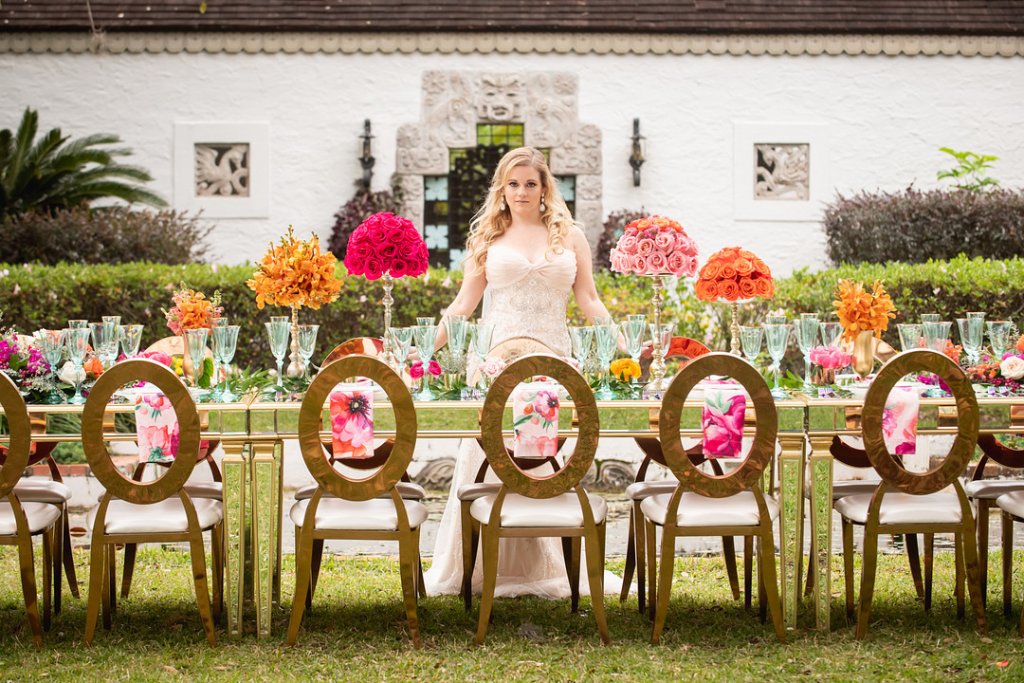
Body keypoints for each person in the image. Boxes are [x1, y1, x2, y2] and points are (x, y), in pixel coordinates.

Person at [424, 146, 619, 598]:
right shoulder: (489, 238)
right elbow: (462, 307)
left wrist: (621, 346)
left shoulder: (570, 236)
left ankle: (544, 564)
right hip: (499, 366)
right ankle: (479, 565)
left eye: (531, 183)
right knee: (492, 459)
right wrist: (414, 351)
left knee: (545, 462)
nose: (522, 191)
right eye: (513, 183)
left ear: (545, 187)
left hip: (556, 367)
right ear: (502, 188)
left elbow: (589, 299)